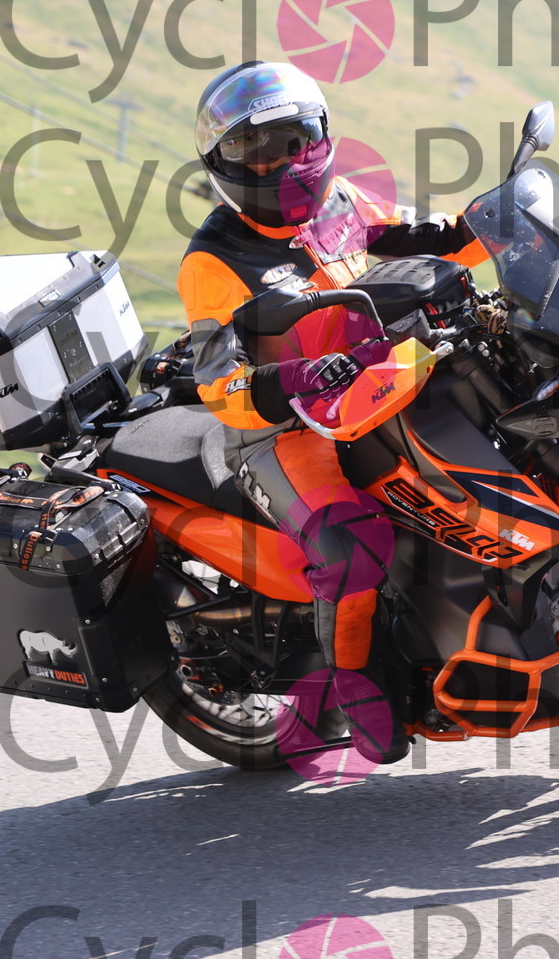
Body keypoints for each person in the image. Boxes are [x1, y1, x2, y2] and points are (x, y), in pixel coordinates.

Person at [178, 60, 486, 702]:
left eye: (293, 142)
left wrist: (513, 219)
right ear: (224, 165)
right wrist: (294, 375)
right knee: (351, 547)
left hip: (378, 386)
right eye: (256, 152)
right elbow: (219, 385)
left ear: (319, 136)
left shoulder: (346, 202)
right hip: (283, 429)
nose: (281, 164)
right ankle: (359, 694)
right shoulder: (213, 261)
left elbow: (434, 237)